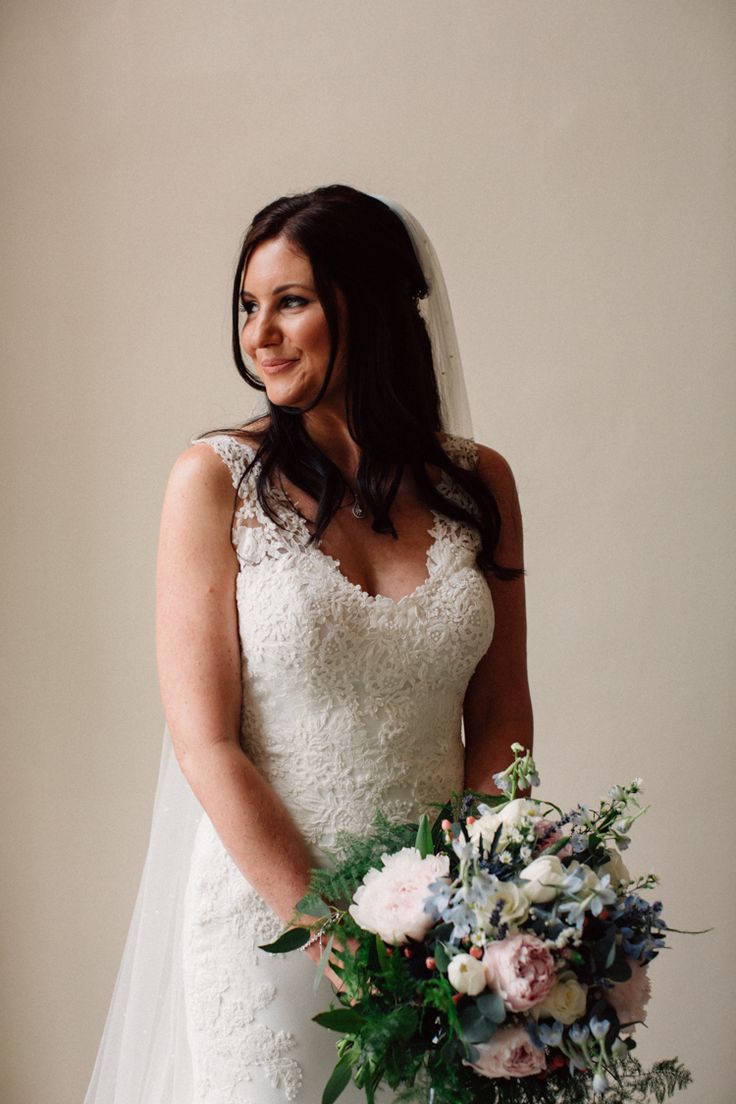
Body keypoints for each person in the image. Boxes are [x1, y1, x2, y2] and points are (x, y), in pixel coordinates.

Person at [83, 184, 532, 1104]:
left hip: (437, 938)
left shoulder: (478, 484)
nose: (260, 335)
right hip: (270, 926)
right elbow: (203, 739)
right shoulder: (214, 482)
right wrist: (330, 930)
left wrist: (477, 904)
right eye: (249, 306)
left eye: (291, 301)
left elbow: (500, 713)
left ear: (364, 306)